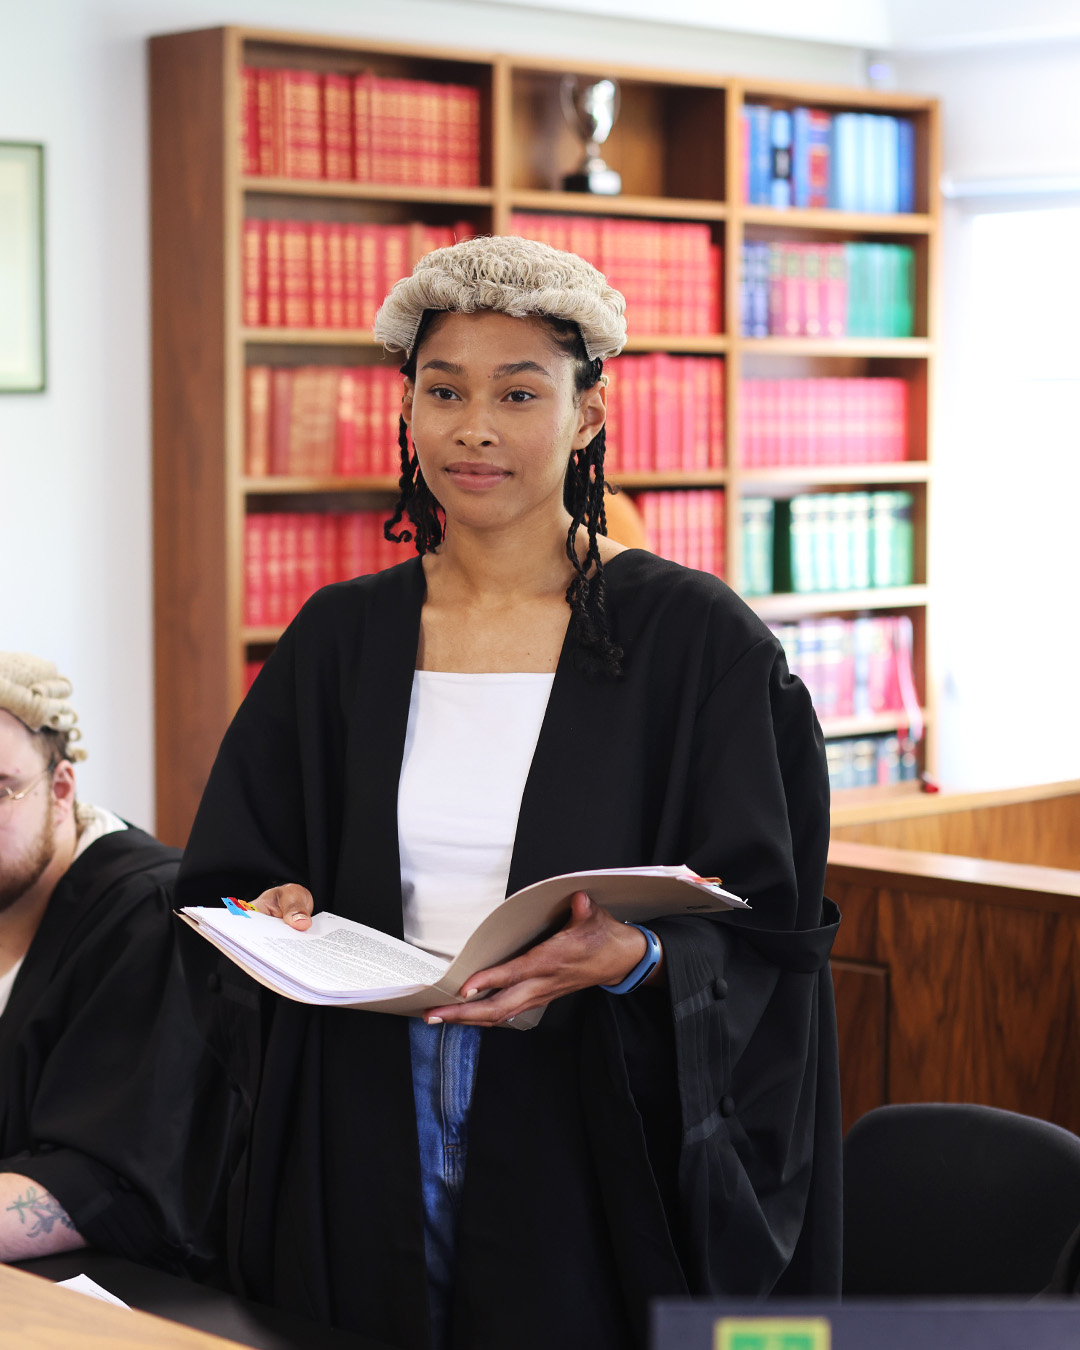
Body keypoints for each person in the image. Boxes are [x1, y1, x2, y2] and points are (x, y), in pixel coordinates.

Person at [176, 236, 841, 1350]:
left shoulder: (695, 642)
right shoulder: (340, 639)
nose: (473, 427)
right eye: (443, 391)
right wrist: (273, 909)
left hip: (583, 1111)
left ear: (587, 415)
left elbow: (770, 926)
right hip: (364, 1105)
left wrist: (634, 962)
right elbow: (232, 875)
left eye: (519, 392)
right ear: (408, 410)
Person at [0, 653, 221, 1270]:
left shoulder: (150, 914)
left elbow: (105, 1182)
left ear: (61, 788)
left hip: (119, 1294)